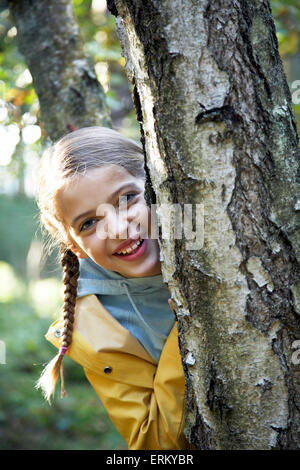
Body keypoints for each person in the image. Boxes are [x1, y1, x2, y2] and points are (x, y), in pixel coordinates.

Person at [35, 126, 192, 450]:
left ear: (155, 181)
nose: (119, 229)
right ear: (74, 245)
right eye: (89, 223)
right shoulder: (94, 329)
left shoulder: (216, 236)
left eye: (126, 199)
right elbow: (154, 443)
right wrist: (192, 323)